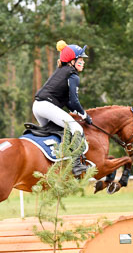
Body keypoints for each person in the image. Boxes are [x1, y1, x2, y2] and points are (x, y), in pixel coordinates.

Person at [33, 40, 92, 176]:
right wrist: (84, 115)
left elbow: (68, 103)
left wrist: (78, 111)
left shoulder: (61, 71)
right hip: (47, 106)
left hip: (37, 107)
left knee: (57, 133)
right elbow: (74, 100)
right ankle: (77, 166)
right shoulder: (72, 75)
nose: (83, 62)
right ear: (72, 61)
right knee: (77, 129)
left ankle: (53, 164)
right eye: (80, 59)